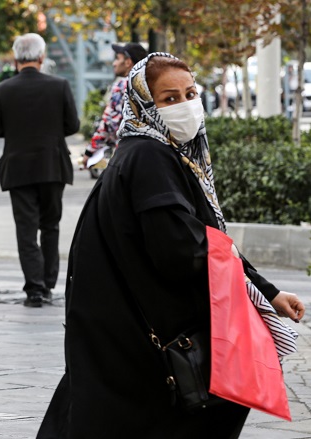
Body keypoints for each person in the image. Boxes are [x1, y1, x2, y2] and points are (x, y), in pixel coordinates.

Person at [38, 53, 305, 438]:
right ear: (144, 104)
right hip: (144, 337)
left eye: (190, 93)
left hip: (124, 333)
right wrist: (244, 290)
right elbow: (181, 250)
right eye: (169, 98)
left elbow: (204, 237)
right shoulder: (150, 156)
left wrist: (268, 291)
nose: (185, 105)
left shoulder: (149, 152)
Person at [0, 33, 80, 307]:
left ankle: (34, 289)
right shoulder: (60, 85)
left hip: (18, 169)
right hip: (53, 165)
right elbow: (72, 125)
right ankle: (49, 284)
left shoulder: (3, 89)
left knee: (26, 230)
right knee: (50, 225)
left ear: (16, 60)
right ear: (41, 58)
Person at [83, 42, 148, 168]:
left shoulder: (122, 86)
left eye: (118, 59)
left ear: (128, 62)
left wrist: (90, 151)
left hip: (127, 153)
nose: (114, 63)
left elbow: (109, 124)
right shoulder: (151, 84)